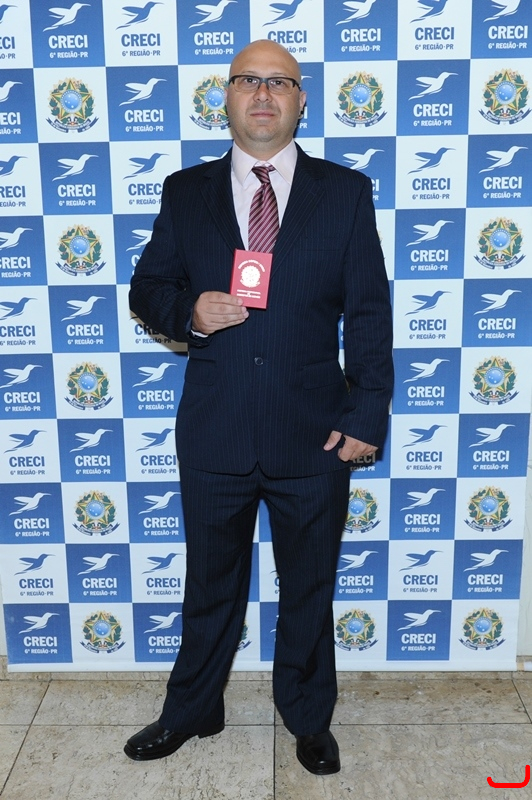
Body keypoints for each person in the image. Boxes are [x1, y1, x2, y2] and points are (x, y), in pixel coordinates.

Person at [125, 39, 393, 775]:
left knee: (309, 586)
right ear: (228, 96)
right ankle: (193, 709)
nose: (264, 94)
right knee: (210, 584)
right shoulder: (186, 191)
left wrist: (367, 414)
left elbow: (370, 312)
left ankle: (307, 717)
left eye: (280, 82)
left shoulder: (345, 192)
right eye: (249, 80)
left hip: (315, 432)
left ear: (302, 100)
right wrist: (190, 313)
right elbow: (148, 288)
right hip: (215, 428)